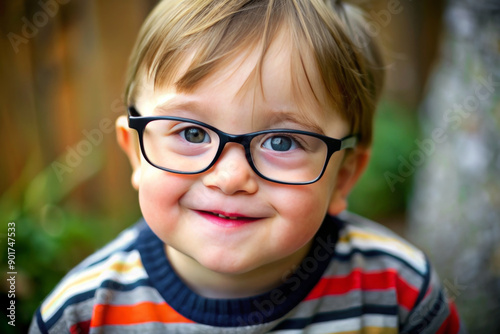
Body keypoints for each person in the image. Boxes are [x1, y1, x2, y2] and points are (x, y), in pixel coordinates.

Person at [30, 0, 465, 333]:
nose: (231, 177)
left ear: (343, 177)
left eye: (282, 141)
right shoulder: (80, 316)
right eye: (193, 134)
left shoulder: (401, 294)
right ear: (137, 153)